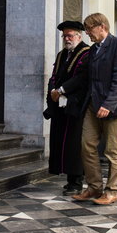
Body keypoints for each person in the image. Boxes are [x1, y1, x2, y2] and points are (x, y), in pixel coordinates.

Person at [63, 13, 117, 205]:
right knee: (87, 145)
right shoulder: (93, 50)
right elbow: (86, 77)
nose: (88, 34)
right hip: (92, 105)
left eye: (89, 29)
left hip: (112, 107)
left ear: (102, 26)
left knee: (112, 150)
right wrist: (63, 90)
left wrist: (108, 105)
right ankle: (93, 187)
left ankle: (112, 190)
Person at [43, 21, 88, 196]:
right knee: (61, 140)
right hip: (60, 105)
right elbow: (54, 75)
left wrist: (63, 91)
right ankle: (68, 178)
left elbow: (82, 78)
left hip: (76, 104)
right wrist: (53, 91)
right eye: (64, 36)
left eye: (70, 36)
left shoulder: (86, 53)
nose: (66, 39)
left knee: (74, 144)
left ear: (79, 36)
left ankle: (76, 181)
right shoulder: (62, 54)